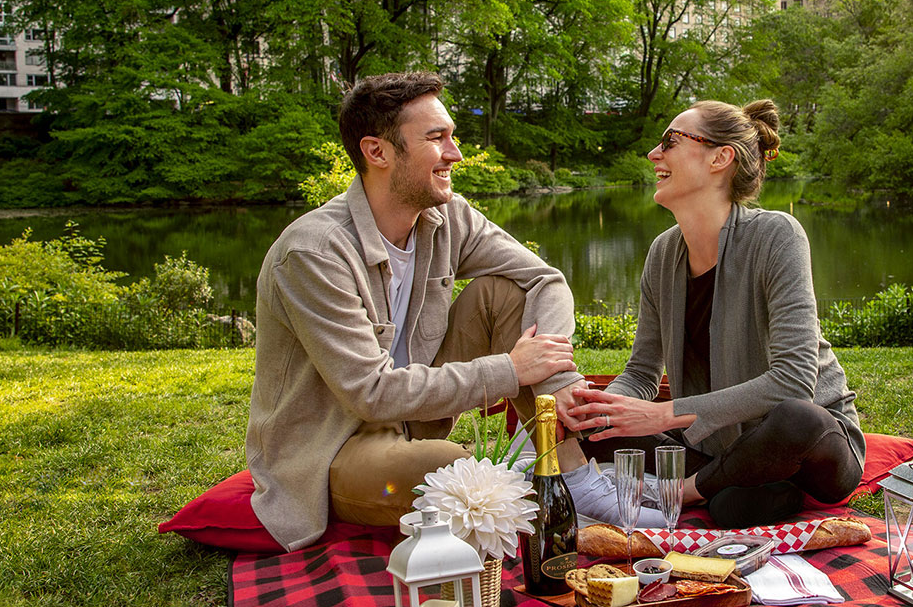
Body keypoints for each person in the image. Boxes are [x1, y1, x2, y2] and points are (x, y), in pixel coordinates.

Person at [247, 72, 619, 551]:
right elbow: (370, 394)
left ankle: (575, 481)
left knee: (503, 294)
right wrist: (509, 369)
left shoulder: (446, 217)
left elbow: (545, 280)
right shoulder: (314, 253)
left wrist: (556, 382)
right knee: (447, 472)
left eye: (453, 135)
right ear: (377, 152)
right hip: (338, 445)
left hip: (417, 418)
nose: (456, 153)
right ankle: (520, 487)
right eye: (436, 138)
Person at [561, 100, 865, 529]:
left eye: (670, 142)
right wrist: (599, 407)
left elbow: (794, 380)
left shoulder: (776, 235)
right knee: (599, 430)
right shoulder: (662, 254)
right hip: (716, 448)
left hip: (807, 447)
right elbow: (643, 373)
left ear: (721, 158)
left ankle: (685, 491)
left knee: (798, 417)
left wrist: (664, 415)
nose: (654, 154)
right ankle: (733, 486)